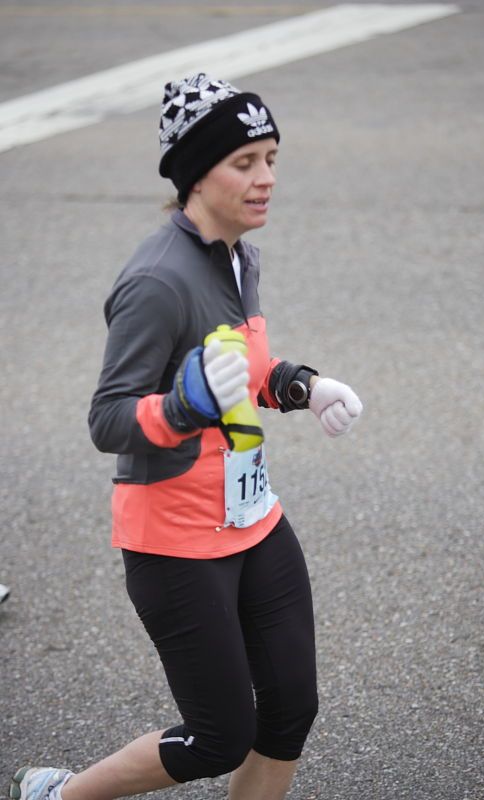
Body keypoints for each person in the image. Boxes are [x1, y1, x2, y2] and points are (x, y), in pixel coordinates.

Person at [10, 73, 362, 800]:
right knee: (218, 735)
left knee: (292, 708)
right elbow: (108, 421)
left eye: (271, 158)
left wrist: (300, 384)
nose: (266, 179)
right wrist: (183, 403)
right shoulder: (156, 282)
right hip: (174, 542)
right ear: (195, 173)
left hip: (252, 518)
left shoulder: (237, 253)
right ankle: (59, 795)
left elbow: (244, 366)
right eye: (244, 163)